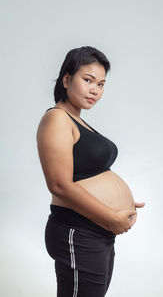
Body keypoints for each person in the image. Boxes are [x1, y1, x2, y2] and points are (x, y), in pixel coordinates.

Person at [36, 46, 145, 297]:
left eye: (101, 84)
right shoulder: (57, 119)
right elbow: (59, 185)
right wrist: (111, 216)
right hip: (77, 232)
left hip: (96, 232)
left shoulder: (78, 121)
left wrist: (121, 205)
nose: (95, 89)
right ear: (66, 79)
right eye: (88, 80)